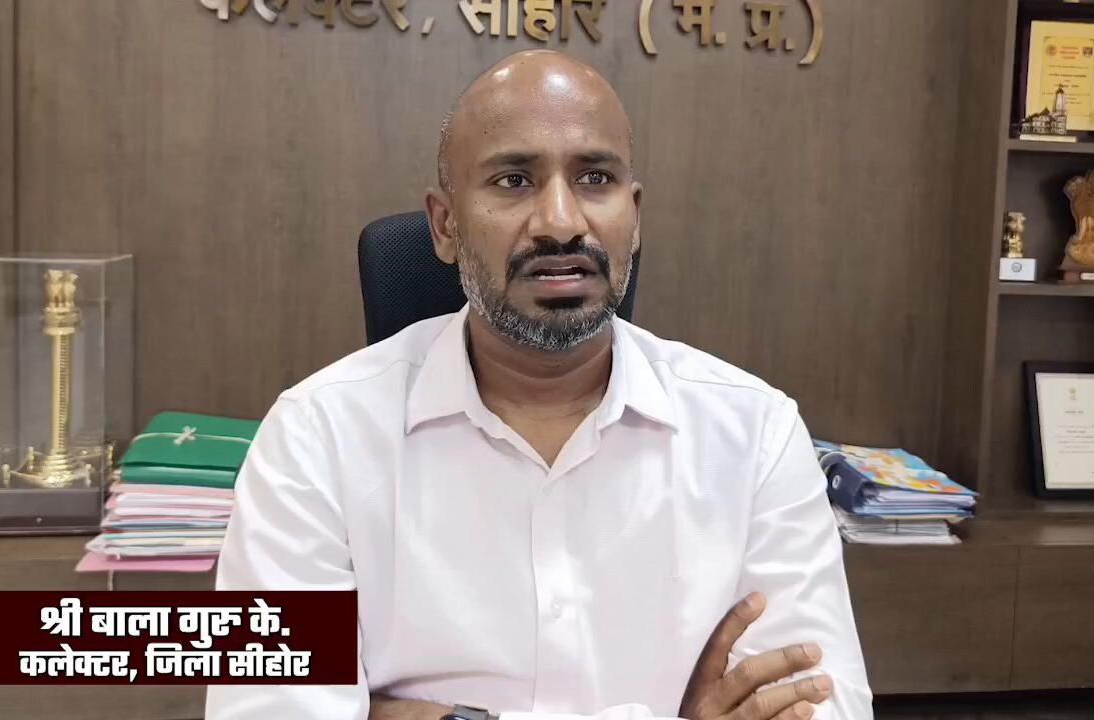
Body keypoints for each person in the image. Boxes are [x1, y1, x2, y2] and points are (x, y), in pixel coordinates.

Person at [206, 50, 872, 720]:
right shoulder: (314, 436)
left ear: (634, 217)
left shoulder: (755, 433)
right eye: (515, 180)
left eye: (595, 178)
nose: (560, 221)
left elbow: (826, 701)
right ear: (445, 224)